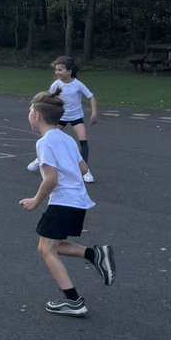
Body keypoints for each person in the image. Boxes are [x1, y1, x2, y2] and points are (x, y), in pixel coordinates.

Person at [20, 90, 115, 317]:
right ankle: (95, 255)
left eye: (30, 111)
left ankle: (73, 301)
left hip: (63, 202)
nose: (29, 114)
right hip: (78, 202)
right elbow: (83, 169)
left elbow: (50, 179)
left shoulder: (45, 143)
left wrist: (35, 200)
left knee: (46, 249)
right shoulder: (67, 139)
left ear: (37, 117)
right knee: (54, 246)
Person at [28, 56, 98, 182]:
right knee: (47, 139)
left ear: (69, 71)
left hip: (76, 117)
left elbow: (91, 97)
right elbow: (48, 99)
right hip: (60, 117)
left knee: (83, 141)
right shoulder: (56, 85)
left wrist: (94, 114)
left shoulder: (77, 84)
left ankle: (85, 171)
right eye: (56, 70)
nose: (57, 72)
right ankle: (39, 160)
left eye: (60, 70)